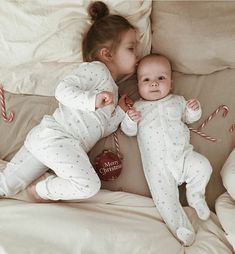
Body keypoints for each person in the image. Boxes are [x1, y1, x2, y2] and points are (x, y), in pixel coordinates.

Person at [0, 1, 137, 202]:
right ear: (107, 53)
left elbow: (100, 127)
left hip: (54, 143)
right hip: (57, 137)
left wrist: (121, 113)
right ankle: (41, 191)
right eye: (131, 48)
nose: (137, 54)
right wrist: (92, 100)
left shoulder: (113, 90)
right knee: (88, 185)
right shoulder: (97, 70)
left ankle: (38, 188)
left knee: (6, 186)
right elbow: (62, 91)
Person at [121, 54, 212, 246]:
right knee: (164, 200)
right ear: (138, 85)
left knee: (203, 166)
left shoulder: (178, 101)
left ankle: (195, 195)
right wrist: (130, 120)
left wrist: (194, 109)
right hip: (158, 167)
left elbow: (190, 118)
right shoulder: (138, 107)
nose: (154, 83)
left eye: (160, 78)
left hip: (183, 157)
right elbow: (128, 131)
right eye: (146, 80)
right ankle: (181, 228)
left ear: (171, 82)